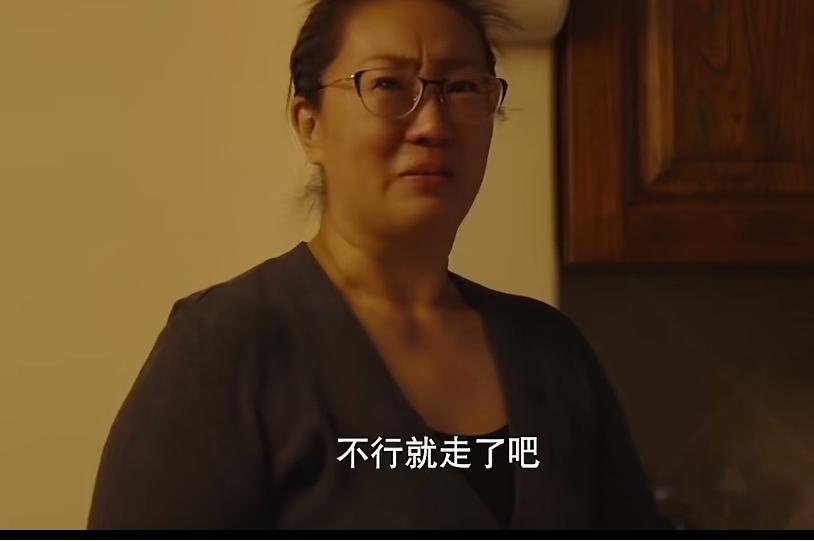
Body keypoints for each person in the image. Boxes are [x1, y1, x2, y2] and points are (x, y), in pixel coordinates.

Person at [87, 0, 670, 530]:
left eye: (462, 88)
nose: (432, 124)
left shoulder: (551, 352)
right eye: (389, 85)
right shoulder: (228, 345)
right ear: (310, 125)